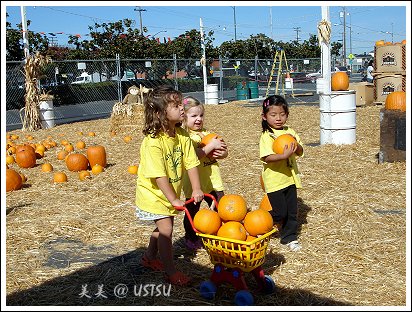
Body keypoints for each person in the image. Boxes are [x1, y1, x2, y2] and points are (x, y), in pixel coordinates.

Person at [135, 85, 204, 286]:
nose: (182, 108)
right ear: (159, 113)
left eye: (180, 104)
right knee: (166, 229)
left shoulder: (182, 135)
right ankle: (170, 271)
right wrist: (173, 198)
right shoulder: (153, 142)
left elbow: (191, 162)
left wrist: (197, 188)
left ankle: (149, 257)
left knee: (160, 229)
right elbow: (159, 176)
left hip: (170, 192)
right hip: (154, 194)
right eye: (175, 106)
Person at [181, 96, 228, 250]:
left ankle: (220, 233)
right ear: (184, 117)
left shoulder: (208, 134)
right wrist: (210, 147)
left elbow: (224, 152)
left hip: (213, 180)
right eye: (193, 116)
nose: (198, 119)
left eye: (201, 115)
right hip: (195, 183)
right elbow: (193, 155)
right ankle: (191, 237)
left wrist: (221, 153)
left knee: (220, 209)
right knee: (192, 211)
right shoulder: (185, 137)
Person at [259, 95, 304, 252]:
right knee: (280, 212)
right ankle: (259, 222)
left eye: (282, 114)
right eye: (273, 115)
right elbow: (266, 157)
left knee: (292, 211)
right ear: (264, 116)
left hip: (290, 178)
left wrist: (296, 145)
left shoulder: (289, 132)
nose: (278, 118)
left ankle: (289, 238)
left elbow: (300, 151)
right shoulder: (267, 136)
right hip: (274, 181)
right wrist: (283, 156)